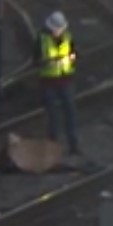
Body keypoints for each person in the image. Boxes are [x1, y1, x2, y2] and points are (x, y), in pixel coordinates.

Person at [41, 11, 82, 157]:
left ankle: (74, 145)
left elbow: (75, 53)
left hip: (66, 81)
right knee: (53, 117)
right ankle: (53, 148)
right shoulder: (42, 40)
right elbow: (37, 61)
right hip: (49, 83)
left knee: (70, 113)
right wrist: (50, 62)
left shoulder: (68, 37)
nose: (58, 31)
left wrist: (72, 57)